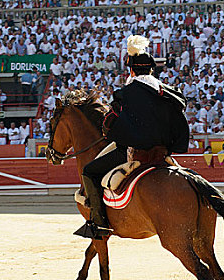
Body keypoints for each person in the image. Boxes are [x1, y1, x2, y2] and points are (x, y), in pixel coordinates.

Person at [79, 35, 188, 239]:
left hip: (135, 153)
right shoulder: (169, 92)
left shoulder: (126, 93)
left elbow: (109, 123)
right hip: (162, 152)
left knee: (89, 172)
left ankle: (99, 224)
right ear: (151, 69)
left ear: (131, 70)